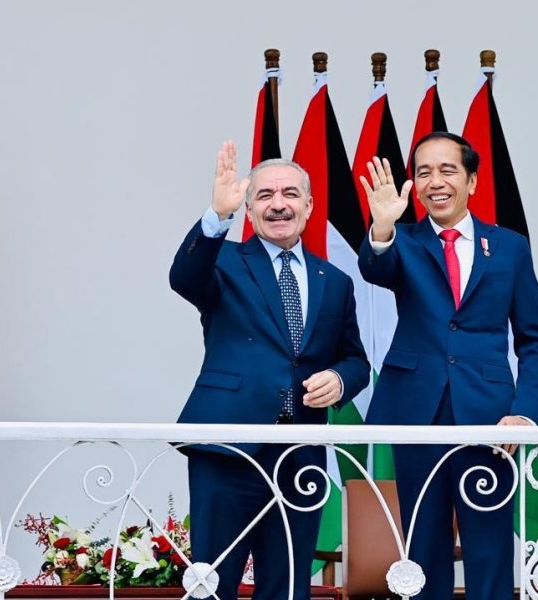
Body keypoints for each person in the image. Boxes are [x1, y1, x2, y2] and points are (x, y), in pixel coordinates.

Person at [357, 131, 538, 600]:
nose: (434, 182)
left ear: (472, 181)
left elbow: (535, 340)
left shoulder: (508, 247)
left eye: (447, 170)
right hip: (416, 414)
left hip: (488, 419)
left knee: (489, 554)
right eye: (423, 172)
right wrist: (382, 227)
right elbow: (374, 269)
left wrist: (524, 412)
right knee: (422, 554)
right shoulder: (401, 242)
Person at [170, 140, 369, 599]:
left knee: (288, 586)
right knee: (211, 584)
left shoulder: (334, 281)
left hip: (300, 454)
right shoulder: (224, 260)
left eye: (290, 194)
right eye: (264, 196)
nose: (278, 205)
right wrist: (216, 216)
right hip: (226, 446)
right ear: (249, 207)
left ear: (309, 204)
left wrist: (340, 380)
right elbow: (184, 278)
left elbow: (355, 359)